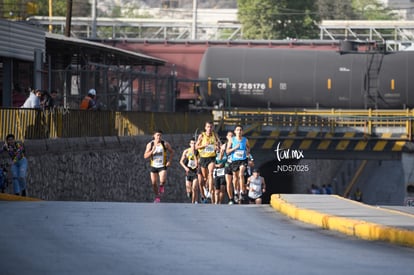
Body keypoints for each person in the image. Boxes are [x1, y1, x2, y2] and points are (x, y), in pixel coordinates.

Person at [144, 130, 174, 203]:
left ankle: (161, 186)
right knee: (154, 183)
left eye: (160, 135)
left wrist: (169, 161)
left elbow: (172, 152)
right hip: (153, 166)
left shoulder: (165, 144)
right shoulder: (150, 144)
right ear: (154, 136)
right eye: (157, 135)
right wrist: (152, 151)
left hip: (162, 165)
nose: (159, 137)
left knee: (162, 180)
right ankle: (157, 196)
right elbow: (145, 156)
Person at [195, 121, 221, 204]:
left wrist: (218, 147)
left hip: (211, 158)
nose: (209, 129)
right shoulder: (202, 135)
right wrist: (204, 145)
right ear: (205, 128)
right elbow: (196, 146)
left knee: (210, 173)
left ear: (213, 128)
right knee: (205, 177)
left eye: (211, 127)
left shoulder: (215, 135)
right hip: (203, 158)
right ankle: (205, 190)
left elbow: (219, 144)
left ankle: (210, 191)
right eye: (208, 127)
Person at [226, 125, 250, 204]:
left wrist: (247, 152)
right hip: (234, 161)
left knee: (241, 174)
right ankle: (236, 192)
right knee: (235, 177)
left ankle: (242, 191)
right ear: (235, 132)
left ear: (242, 132)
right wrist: (235, 148)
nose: (239, 131)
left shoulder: (245, 140)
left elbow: (248, 148)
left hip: (243, 160)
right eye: (237, 130)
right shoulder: (232, 140)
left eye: (240, 130)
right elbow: (228, 151)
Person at [180, 138, 199, 204]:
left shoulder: (198, 151)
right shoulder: (186, 151)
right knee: (189, 189)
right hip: (188, 172)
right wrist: (185, 168)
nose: (193, 145)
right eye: (192, 143)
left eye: (194, 143)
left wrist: (194, 155)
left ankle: (193, 202)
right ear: (190, 144)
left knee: (194, 188)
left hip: (195, 172)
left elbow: (197, 164)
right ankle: (189, 193)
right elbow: (181, 161)